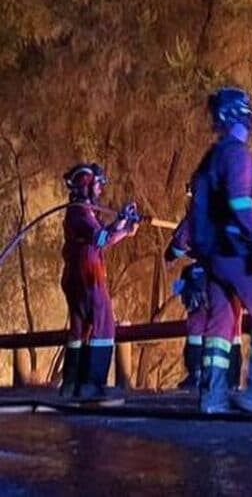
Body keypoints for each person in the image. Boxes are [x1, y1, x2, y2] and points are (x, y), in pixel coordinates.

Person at [184, 86, 252, 414]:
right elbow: (241, 202)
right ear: (236, 116)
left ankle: (212, 398)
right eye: (245, 111)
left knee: (219, 327)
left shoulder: (212, 157)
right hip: (237, 251)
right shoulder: (237, 154)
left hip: (214, 256)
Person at [60, 163, 140, 399]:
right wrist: (121, 222)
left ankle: (72, 384)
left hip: (75, 277)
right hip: (89, 276)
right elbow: (101, 238)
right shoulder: (81, 212)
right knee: (104, 324)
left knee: (80, 329)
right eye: (97, 184)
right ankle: (92, 383)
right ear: (85, 184)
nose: (100, 190)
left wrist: (125, 228)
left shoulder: (79, 212)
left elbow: (101, 236)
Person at [164, 214, 244, 391]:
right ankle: (230, 378)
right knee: (232, 327)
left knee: (198, 325)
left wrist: (174, 252)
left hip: (204, 276)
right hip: (232, 277)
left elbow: (176, 249)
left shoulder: (198, 211)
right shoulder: (240, 211)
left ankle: (197, 375)